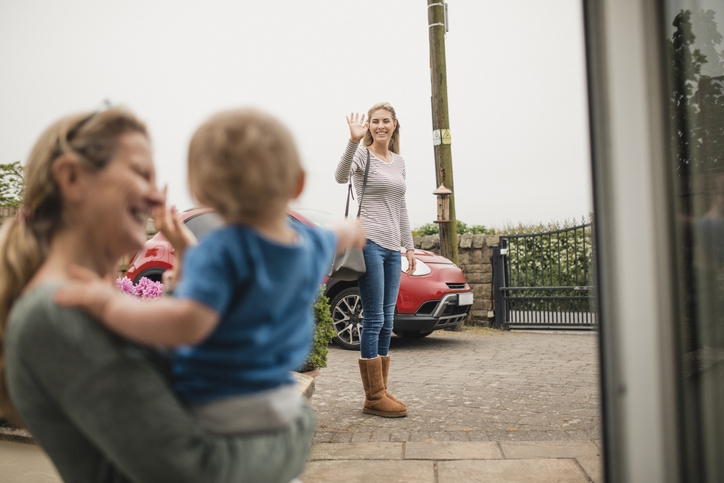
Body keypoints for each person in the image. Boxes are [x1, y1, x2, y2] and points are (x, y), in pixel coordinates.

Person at [0, 106, 320, 483]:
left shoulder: (77, 303)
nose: (156, 199)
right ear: (72, 177)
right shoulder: (54, 312)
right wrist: (298, 425)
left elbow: (170, 383)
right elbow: (195, 471)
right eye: (141, 174)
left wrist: (189, 277)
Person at [56, 107, 365, 439]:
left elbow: (186, 322)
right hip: (277, 400)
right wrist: (351, 228)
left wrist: (109, 305)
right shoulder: (309, 244)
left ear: (200, 191)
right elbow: (339, 234)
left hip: (217, 404)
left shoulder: (217, 252)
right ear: (298, 183)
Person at [334, 102, 416, 418]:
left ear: (395, 125)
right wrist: (353, 140)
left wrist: (408, 246)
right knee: (374, 319)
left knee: (388, 319)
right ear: (368, 126)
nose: (380, 125)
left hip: (393, 248)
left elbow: (402, 206)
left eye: (386, 121)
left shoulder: (399, 162)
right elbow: (341, 177)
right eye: (374, 121)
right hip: (368, 242)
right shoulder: (362, 154)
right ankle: (373, 397)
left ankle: (380, 388)